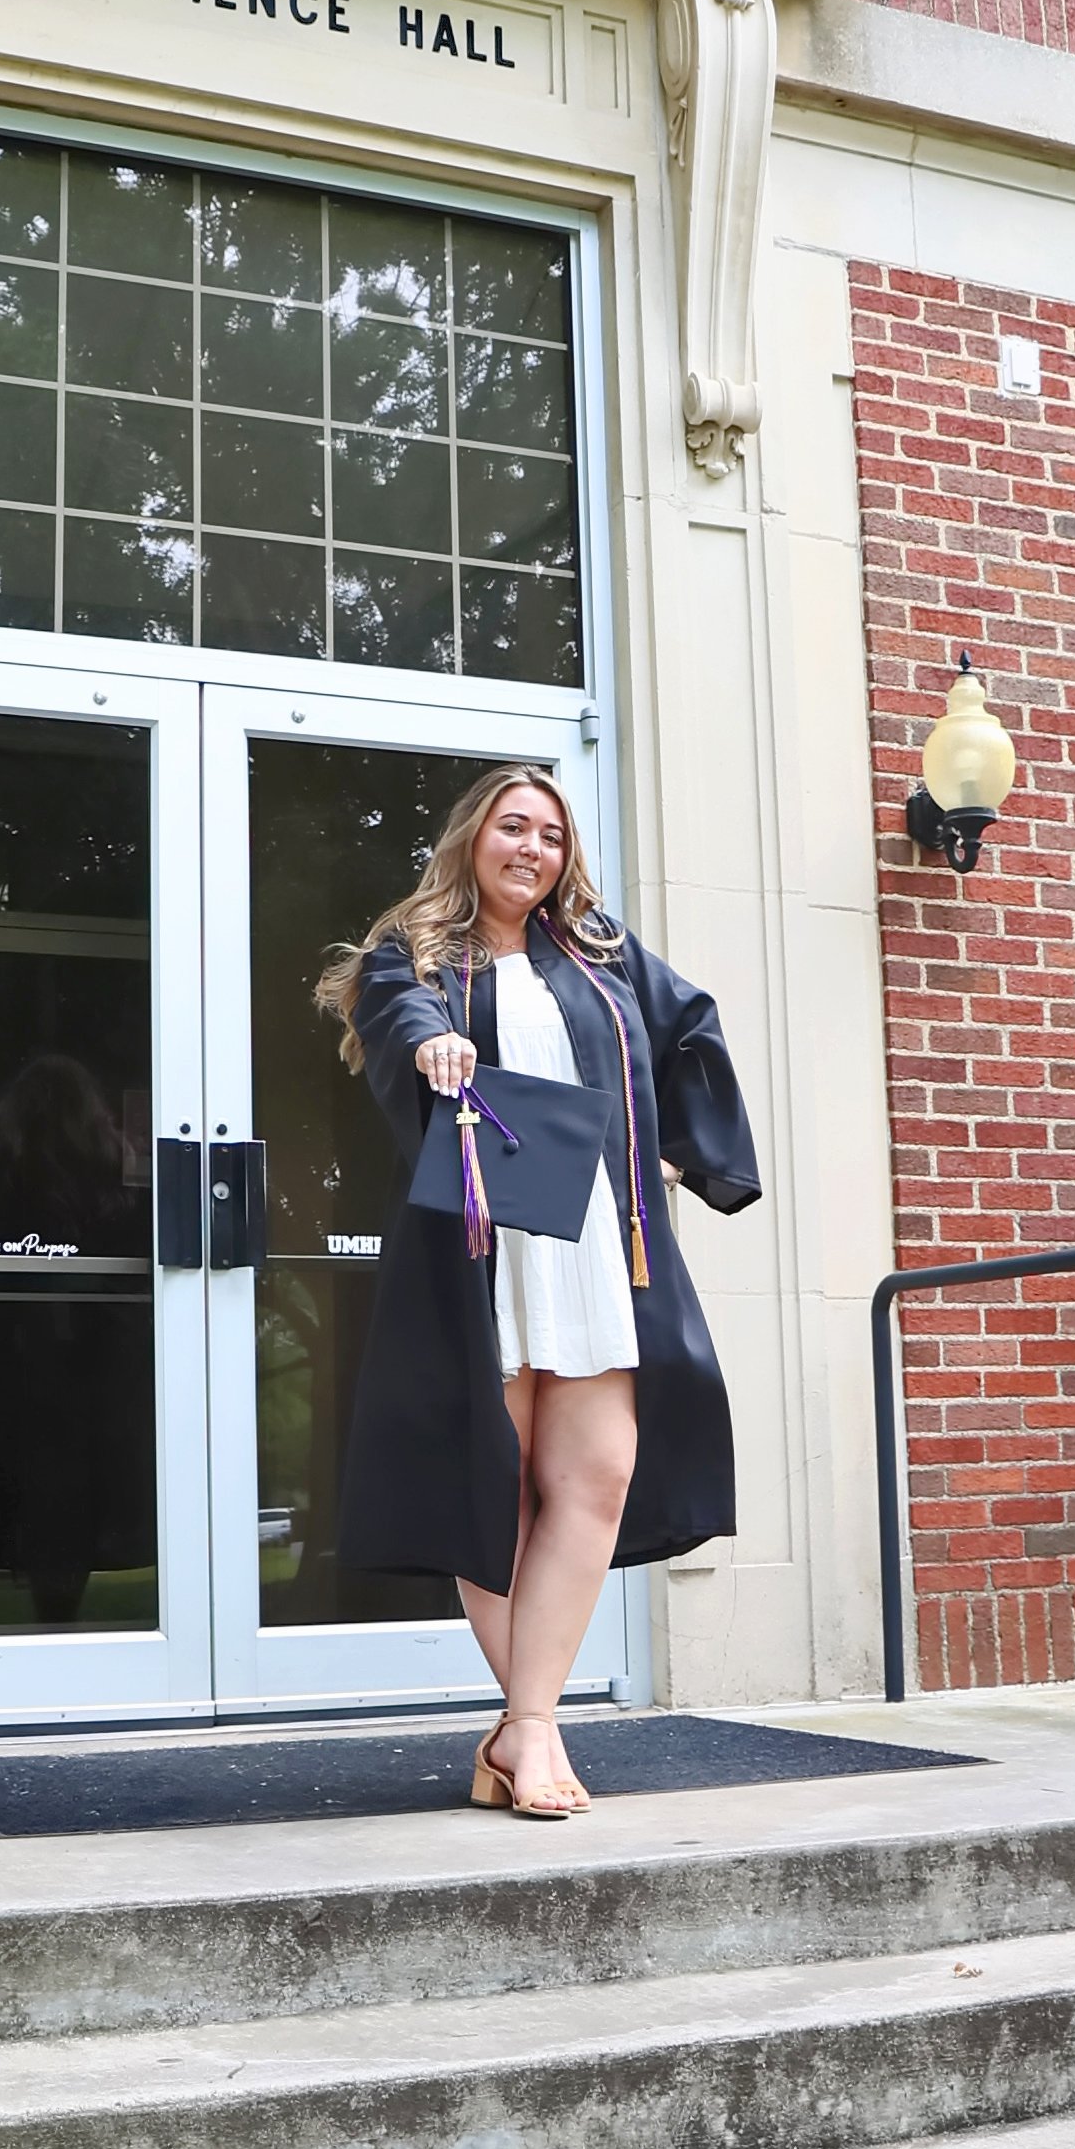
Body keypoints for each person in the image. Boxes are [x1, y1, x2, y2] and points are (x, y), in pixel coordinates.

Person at [316, 765, 759, 1819]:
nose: (533, 849)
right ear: (474, 836)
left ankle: (520, 1726)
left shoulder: (598, 953)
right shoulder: (417, 948)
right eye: (514, 827)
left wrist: (685, 1153)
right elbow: (395, 1006)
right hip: (483, 1239)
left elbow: (689, 1022)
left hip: (591, 1229)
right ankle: (537, 1729)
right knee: (498, 1479)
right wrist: (432, 1039)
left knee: (598, 1474)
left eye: (552, 836)